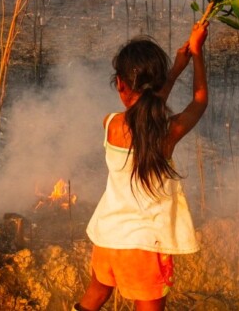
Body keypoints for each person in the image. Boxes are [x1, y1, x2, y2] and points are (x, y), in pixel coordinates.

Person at [76, 22, 209, 311]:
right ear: (158, 85)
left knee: (96, 294)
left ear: (120, 84)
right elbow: (199, 102)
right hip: (146, 245)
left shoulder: (110, 124)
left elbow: (146, 108)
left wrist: (175, 70)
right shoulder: (166, 134)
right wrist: (197, 53)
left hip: (108, 237)